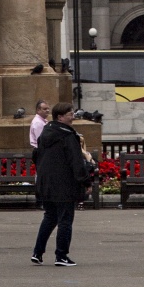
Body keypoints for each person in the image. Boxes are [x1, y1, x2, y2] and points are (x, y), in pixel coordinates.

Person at [31, 102, 95, 267]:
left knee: (49, 217)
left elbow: (36, 156)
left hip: (47, 184)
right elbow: (76, 162)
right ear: (60, 117)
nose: (73, 116)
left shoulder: (45, 133)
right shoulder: (67, 136)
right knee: (65, 219)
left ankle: (37, 252)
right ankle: (61, 255)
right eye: (70, 114)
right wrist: (86, 181)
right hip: (64, 184)